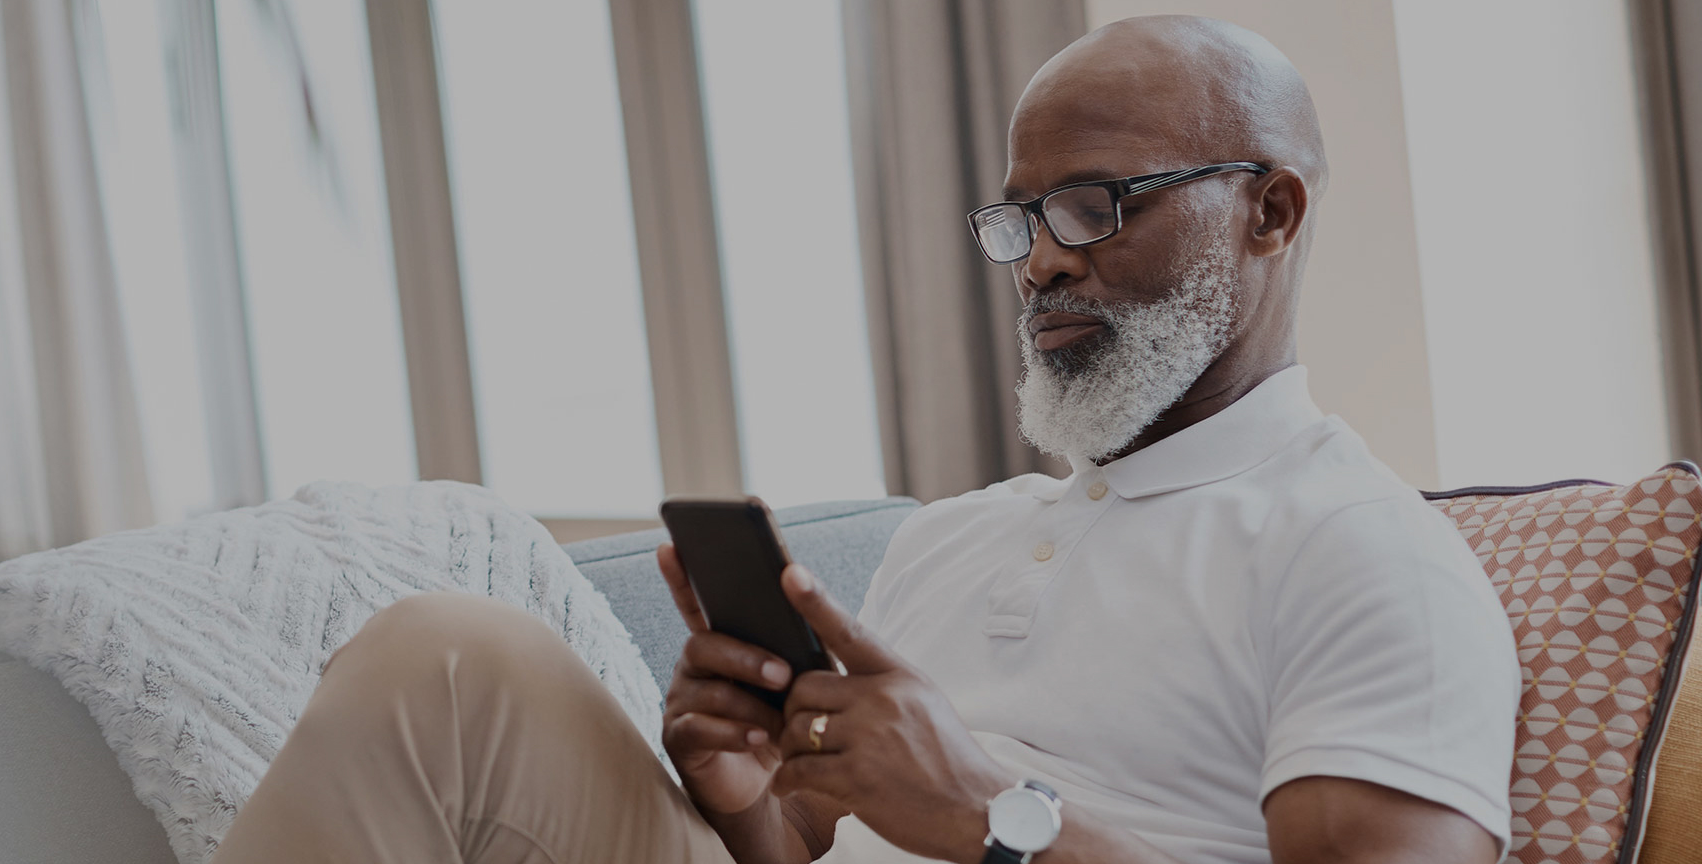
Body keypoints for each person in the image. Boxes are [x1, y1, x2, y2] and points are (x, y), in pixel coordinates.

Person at [213, 14, 1517, 864]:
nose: (1042, 264)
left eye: (1096, 204)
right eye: (1019, 219)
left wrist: (990, 820)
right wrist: (745, 801)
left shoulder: (1364, 559)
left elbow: (961, 824)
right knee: (452, 657)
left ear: (1272, 212)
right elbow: (827, 843)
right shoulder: (956, 536)